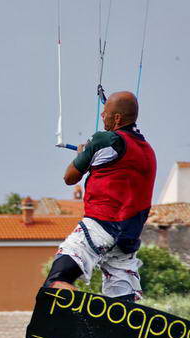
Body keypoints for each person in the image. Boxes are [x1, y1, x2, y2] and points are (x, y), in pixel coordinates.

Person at [43, 91, 157, 302]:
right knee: (122, 303)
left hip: (100, 226)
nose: (102, 116)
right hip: (128, 236)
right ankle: (121, 331)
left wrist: (83, 153)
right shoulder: (147, 150)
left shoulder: (104, 139)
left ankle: (71, 319)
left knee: (57, 281)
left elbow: (69, 178)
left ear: (117, 118)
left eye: (105, 113)